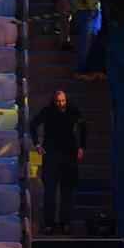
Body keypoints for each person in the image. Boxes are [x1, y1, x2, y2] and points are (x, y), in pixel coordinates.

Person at [30, 90, 87, 235]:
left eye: (63, 101)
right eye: (58, 101)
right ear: (54, 101)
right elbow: (33, 125)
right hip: (51, 155)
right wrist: (37, 144)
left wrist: (81, 146)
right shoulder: (47, 111)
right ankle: (49, 224)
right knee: (49, 191)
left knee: (67, 191)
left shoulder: (73, 110)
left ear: (66, 100)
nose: (61, 104)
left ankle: (65, 223)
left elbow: (83, 127)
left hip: (69, 155)